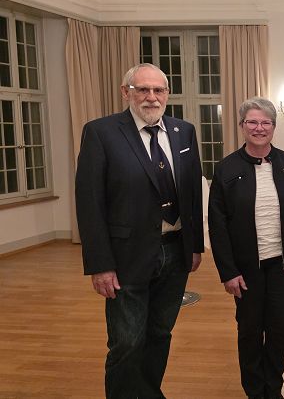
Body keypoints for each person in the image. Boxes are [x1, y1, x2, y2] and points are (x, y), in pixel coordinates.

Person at [75, 63, 204, 398]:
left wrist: (195, 246)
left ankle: (148, 393)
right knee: (127, 341)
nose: (151, 97)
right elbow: (89, 202)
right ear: (126, 92)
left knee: (160, 334)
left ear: (167, 94)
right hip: (126, 257)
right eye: (142, 89)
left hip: (175, 251)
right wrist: (100, 264)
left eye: (158, 90)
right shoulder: (101, 133)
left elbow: (192, 193)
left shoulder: (184, 132)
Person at [208, 98, 284, 399]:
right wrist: (228, 271)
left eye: (266, 122)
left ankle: (274, 389)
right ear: (242, 126)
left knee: (280, 329)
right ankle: (255, 391)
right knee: (250, 331)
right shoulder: (227, 168)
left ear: (274, 127)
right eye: (252, 122)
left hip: (283, 266)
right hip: (245, 270)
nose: (259, 128)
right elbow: (217, 225)